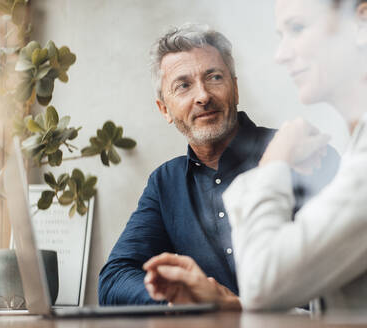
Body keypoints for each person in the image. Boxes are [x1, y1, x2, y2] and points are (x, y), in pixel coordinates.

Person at [144, 0, 367, 318]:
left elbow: (265, 282)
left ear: (362, 24)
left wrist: (274, 162)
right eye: (281, 35)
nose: (281, 54)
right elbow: (343, 306)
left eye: (297, 28)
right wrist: (230, 303)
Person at [98, 23, 340, 307]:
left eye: (213, 77)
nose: (202, 96)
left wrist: (232, 308)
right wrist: (178, 302)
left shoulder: (300, 151)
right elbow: (114, 279)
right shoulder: (165, 183)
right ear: (165, 109)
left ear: (235, 88)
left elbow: (337, 285)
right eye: (183, 85)